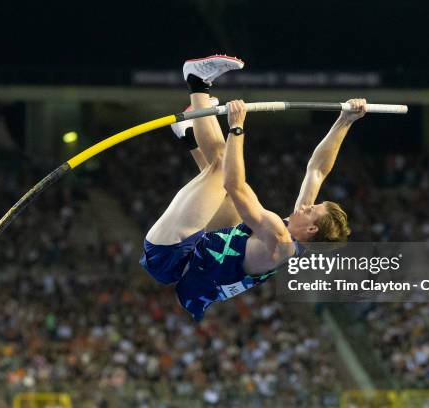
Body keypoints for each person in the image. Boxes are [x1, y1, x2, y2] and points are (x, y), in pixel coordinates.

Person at [139, 55, 366, 320]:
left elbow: (234, 184)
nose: (307, 205)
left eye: (313, 209)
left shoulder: (279, 238)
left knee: (223, 167)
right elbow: (317, 170)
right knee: (229, 198)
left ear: (312, 228)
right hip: (194, 256)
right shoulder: (294, 239)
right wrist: (344, 121)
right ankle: (189, 134)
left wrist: (236, 127)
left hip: (170, 253)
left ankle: (197, 81)